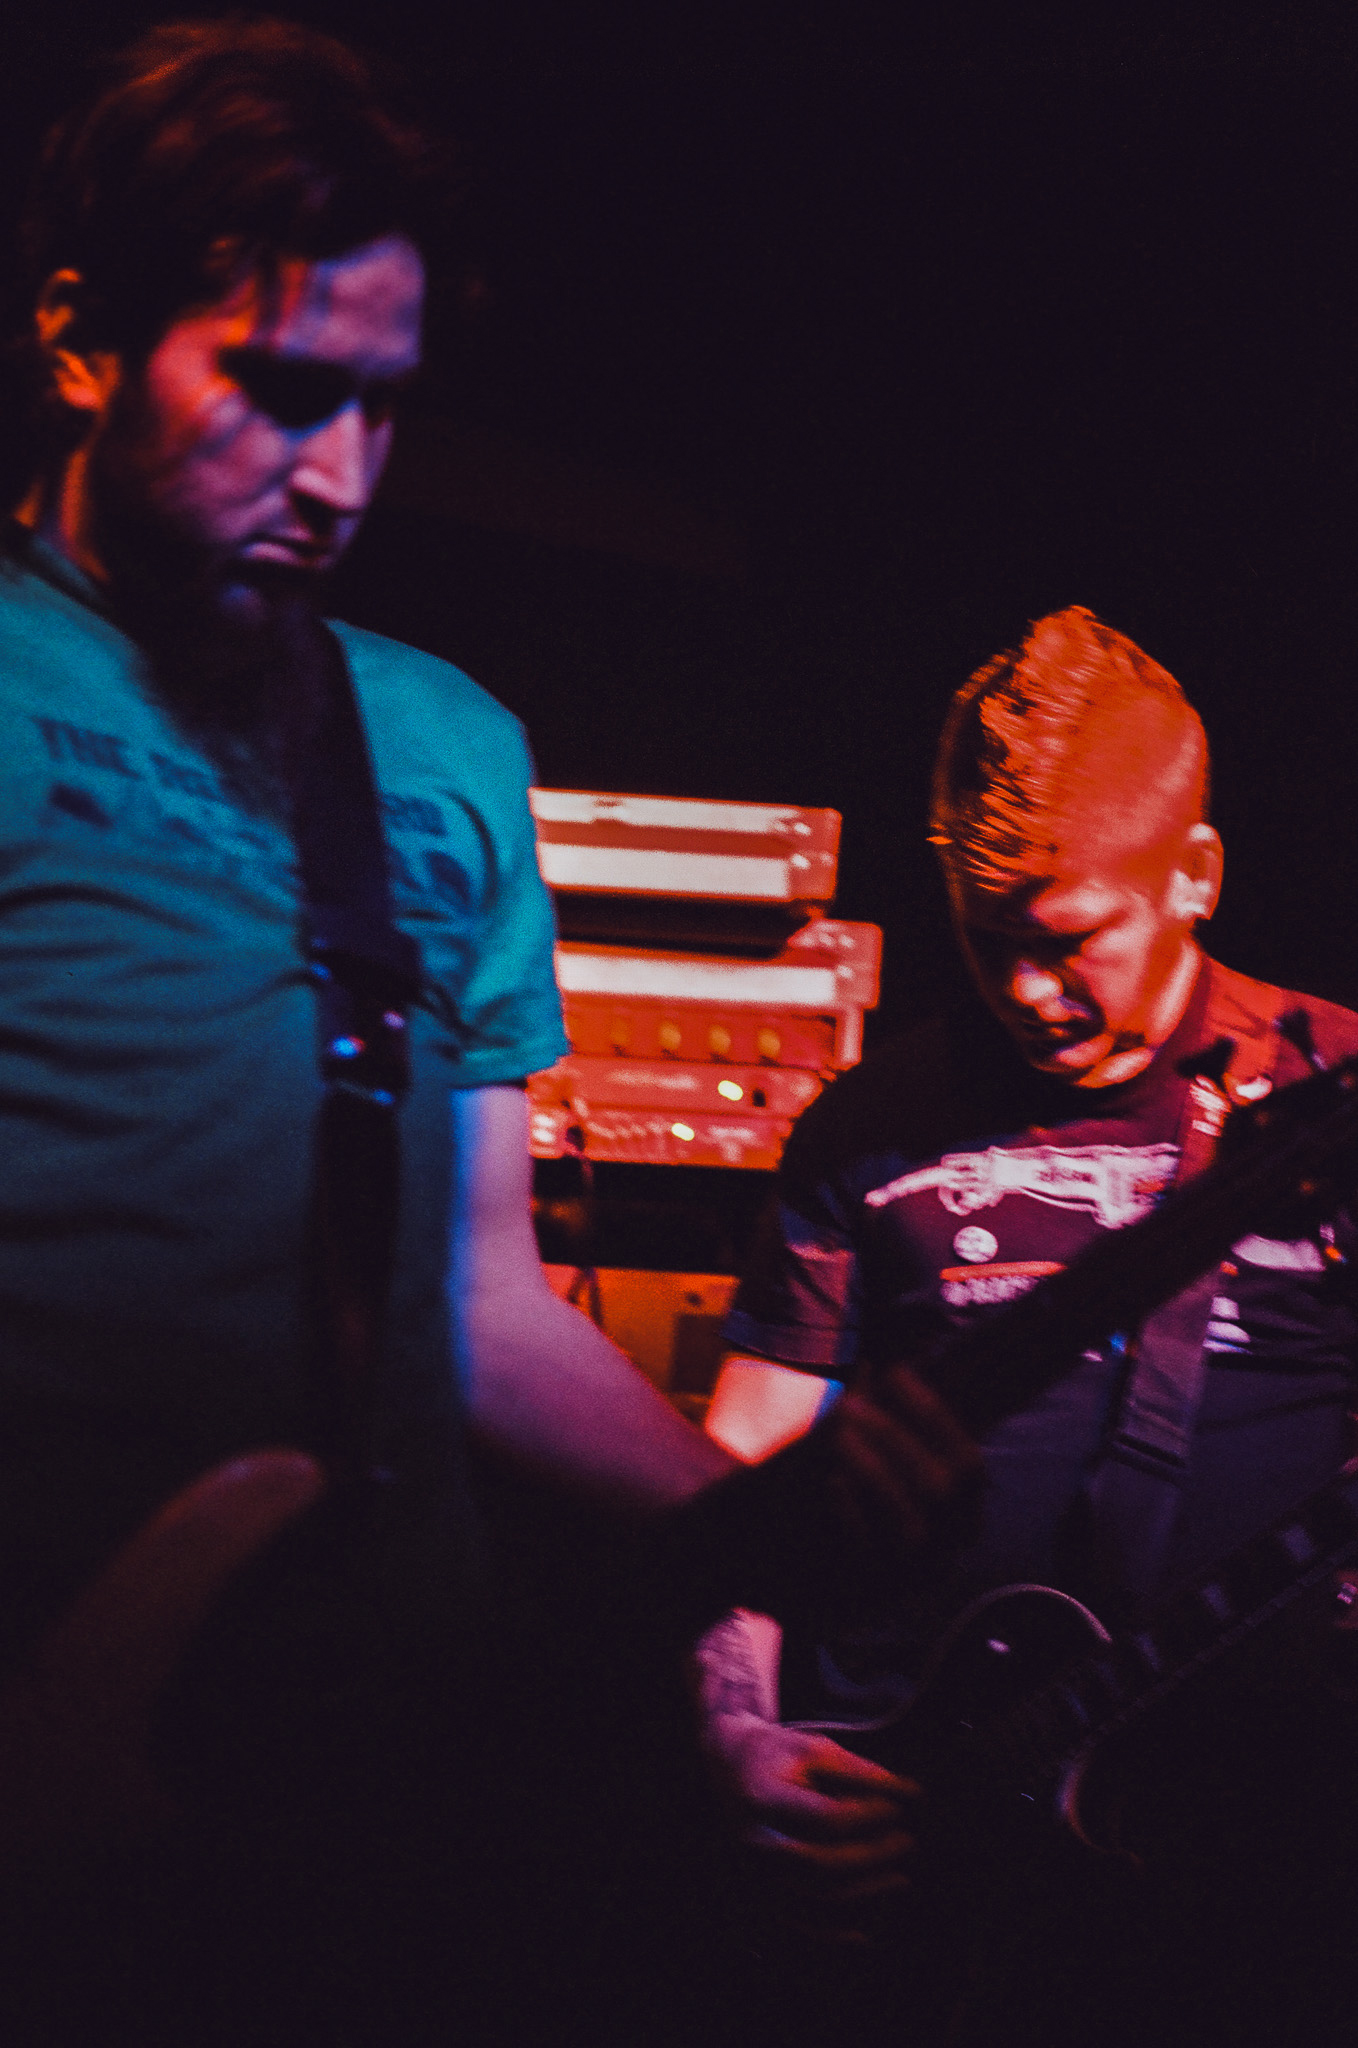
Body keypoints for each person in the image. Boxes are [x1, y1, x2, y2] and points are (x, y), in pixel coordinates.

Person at [0, 21, 978, 2045]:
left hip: (380, 1754)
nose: (340, 479)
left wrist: (760, 1522)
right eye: (279, 389)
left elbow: (476, 1300)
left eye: (382, 407)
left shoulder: (436, 748)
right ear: (83, 337)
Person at [695, 606, 1358, 2046]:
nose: (1025, 995)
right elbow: (736, 1475)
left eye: (1069, 943)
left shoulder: (1328, 1100)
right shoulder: (868, 1123)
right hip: (896, 1808)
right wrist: (736, 1734)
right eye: (984, 943)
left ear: (1194, 876)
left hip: (1231, 1841)